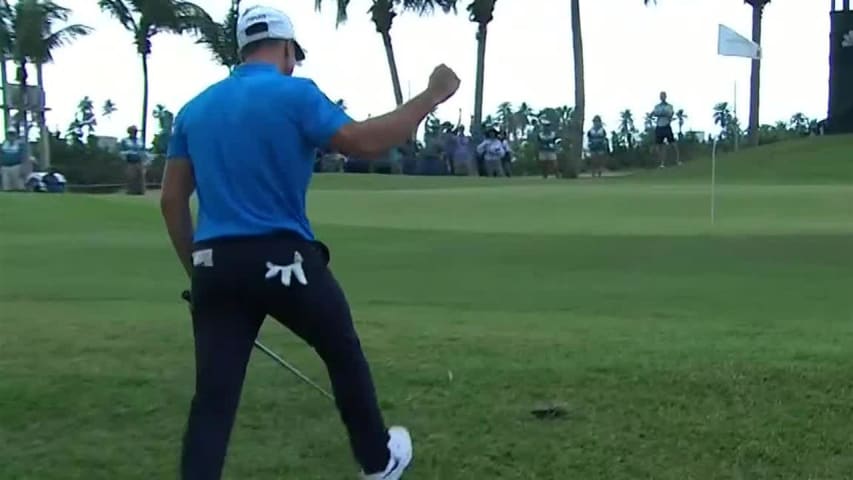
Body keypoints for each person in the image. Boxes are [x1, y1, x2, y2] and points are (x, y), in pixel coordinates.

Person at [159, 5, 460, 480]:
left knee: (213, 399)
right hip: (284, 260)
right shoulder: (296, 94)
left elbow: (172, 200)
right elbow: (363, 142)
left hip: (217, 266)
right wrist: (432, 96)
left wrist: (198, 273)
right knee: (342, 352)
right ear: (284, 49)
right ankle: (378, 461)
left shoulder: (194, 110)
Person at [652, 91, 680, 168]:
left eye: (663, 96)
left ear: (666, 97)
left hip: (666, 126)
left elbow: (670, 113)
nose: (662, 97)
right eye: (661, 96)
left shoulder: (669, 106)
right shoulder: (657, 106)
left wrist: (661, 113)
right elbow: (655, 113)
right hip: (659, 126)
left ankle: (677, 161)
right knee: (659, 146)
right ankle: (662, 163)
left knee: (673, 144)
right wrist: (662, 113)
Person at [120, 125, 148, 194]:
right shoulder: (125, 140)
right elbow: (122, 151)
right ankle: (130, 191)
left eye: (135, 131)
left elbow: (143, 150)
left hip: (139, 161)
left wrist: (145, 159)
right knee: (131, 176)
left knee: (141, 176)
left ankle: (140, 191)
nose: (134, 133)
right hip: (130, 161)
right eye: (133, 131)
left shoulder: (140, 140)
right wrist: (128, 153)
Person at [1, 127, 25, 191]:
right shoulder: (2, 145)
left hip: (16, 167)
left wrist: (23, 168)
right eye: (9, 134)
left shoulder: (20, 145)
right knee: (6, 185)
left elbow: (23, 157)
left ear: (16, 135)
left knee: (18, 186)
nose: (11, 136)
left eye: (12, 134)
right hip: (5, 168)